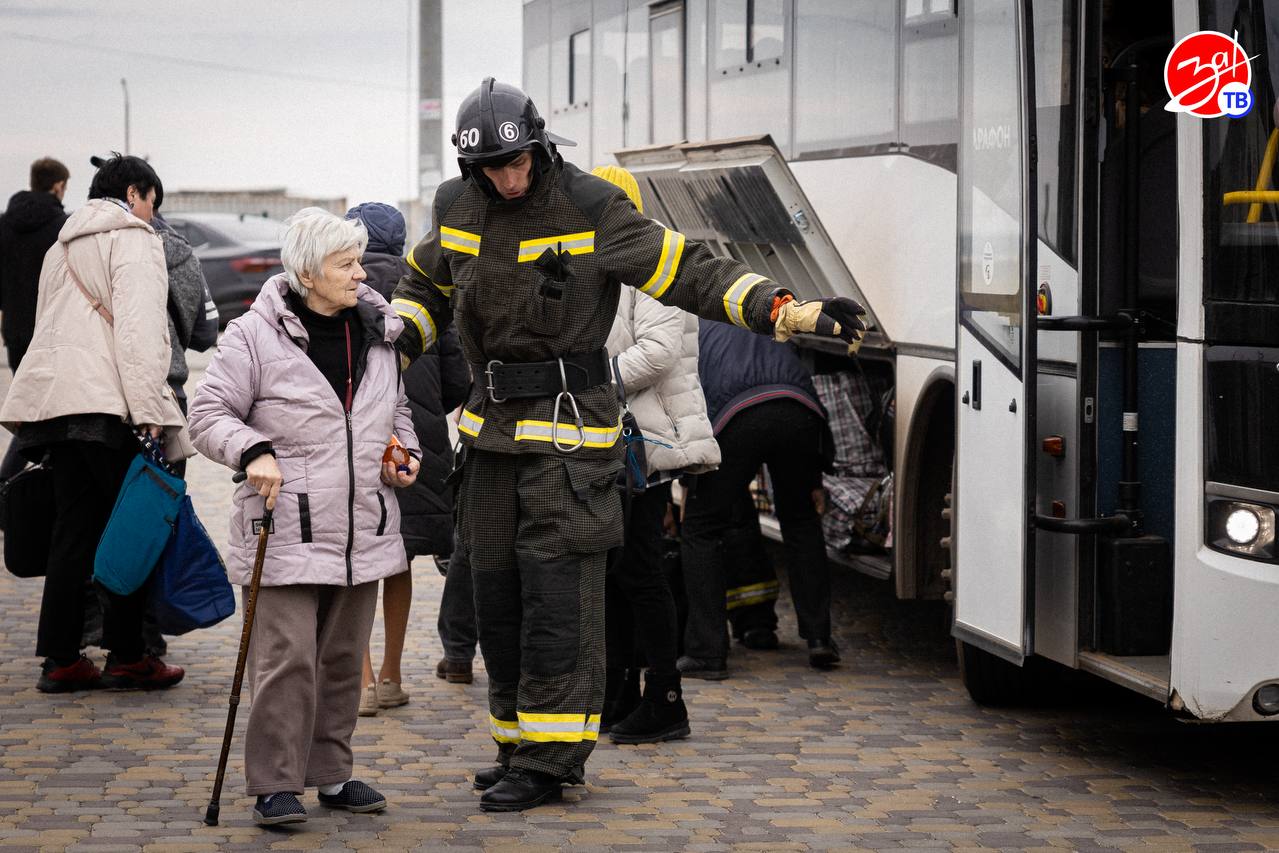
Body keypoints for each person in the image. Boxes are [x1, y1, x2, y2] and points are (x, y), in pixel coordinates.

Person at [390, 77, 865, 812]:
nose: (505, 179)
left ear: (540, 147)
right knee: (496, 592)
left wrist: (785, 309)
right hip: (489, 437)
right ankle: (517, 744)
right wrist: (393, 337)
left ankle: (552, 761)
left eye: (515, 164)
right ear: (468, 168)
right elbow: (425, 286)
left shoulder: (589, 205)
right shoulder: (457, 209)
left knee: (557, 597)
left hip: (570, 443)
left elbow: (688, 270)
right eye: (489, 169)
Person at [188, 208, 421, 826]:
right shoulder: (253, 335)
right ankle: (274, 782)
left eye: (359, 260)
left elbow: (397, 411)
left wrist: (405, 453)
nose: (358, 273)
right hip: (285, 522)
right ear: (308, 272)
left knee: (343, 660)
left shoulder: (377, 332)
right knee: (287, 658)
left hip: (361, 525)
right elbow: (207, 414)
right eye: (345, 263)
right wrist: (254, 449)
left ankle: (331, 773)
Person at [0, 153, 188, 693]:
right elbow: (139, 331)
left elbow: (43, 323)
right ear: (135, 193)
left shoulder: (61, 243)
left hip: (56, 405)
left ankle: (61, 659)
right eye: (153, 201)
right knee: (133, 526)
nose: (153, 214)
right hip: (108, 405)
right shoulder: (135, 239)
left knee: (73, 532)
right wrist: (149, 408)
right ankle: (128, 654)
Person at [593, 164, 721, 745]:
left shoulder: (650, 266)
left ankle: (666, 698)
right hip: (617, 441)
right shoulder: (609, 266)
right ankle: (620, 691)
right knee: (620, 571)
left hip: (645, 443)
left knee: (641, 571)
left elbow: (660, 351)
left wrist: (589, 382)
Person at [342, 202, 469, 715]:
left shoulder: (338, 289)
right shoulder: (429, 293)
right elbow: (458, 380)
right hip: (419, 448)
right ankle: (392, 677)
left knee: (357, 559)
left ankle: (364, 683)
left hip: (356, 447)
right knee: (399, 558)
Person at [679, 320, 842, 680]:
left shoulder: (689, 327)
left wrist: (690, 482)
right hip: (798, 408)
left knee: (700, 530)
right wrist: (813, 478)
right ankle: (819, 638)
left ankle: (707, 652)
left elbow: (687, 404)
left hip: (737, 413)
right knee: (800, 520)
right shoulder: (752, 314)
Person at [0, 157, 70, 481]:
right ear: (58, 186)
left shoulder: (4, 223)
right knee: (46, 415)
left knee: (33, 408)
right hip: (50, 332)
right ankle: (9, 483)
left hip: (15, 331)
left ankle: (25, 485)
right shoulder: (62, 227)